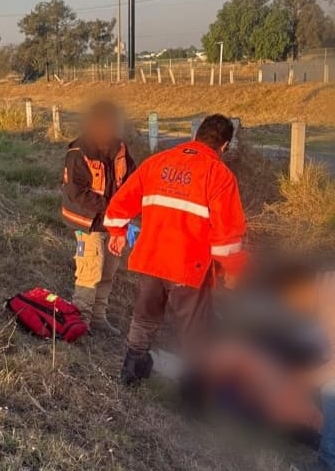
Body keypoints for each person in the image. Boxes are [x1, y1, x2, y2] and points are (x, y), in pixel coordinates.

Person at [105, 114, 247, 385]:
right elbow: (227, 236)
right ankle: (194, 391)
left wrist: (118, 232)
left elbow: (120, 203)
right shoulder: (220, 175)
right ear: (225, 145)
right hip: (188, 266)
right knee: (193, 329)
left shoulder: (157, 163)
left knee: (144, 316)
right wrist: (232, 270)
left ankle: (130, 372)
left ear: (196, 136)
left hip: (151, 259)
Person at [60, 101, 135, 335]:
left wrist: (128, 209)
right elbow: (77, 193)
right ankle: (80, 319)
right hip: (87, 222)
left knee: (109, 271)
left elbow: (133, 180)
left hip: (113, 223)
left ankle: (99, 317)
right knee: (90, 269)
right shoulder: (77, 153)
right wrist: (113, 207)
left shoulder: (121, 149)